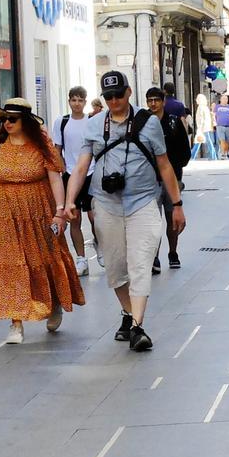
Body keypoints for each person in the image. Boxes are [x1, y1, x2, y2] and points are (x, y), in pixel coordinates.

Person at [65, 71, 186, 352]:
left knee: (141, 263)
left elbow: (165, 165)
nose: (114, 100)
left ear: (129, 92)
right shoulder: (94, 126)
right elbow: (82, 167)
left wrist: (176, 205)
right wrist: (69, 200)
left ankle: (138, 327)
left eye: (118, 94)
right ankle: (129, 314)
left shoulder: (149, 123)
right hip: (106, 204)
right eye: (108, 96)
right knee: (116, 267)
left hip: (143, 202)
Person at [0, 98, 86, 344]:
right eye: (4, 119)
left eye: (12, 119)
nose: (7, 123)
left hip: (39, 211)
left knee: (44, 260)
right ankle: (15, 323)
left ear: (25, 121)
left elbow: (54, 181)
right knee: (9, 265)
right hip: (6, 211)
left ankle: (53, 305)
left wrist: (59, 212)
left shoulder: (42, 146)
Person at [52, 85, 98, 276]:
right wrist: (60, 166)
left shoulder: (92, 122)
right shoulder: (61, 122)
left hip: (92, 173)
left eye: (80, 100)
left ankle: (99, 243)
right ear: (69, 101)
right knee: (74, 217)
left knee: (95, 216)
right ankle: (81, 258)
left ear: (85, 102)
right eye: (74, 100)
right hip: (70, 174)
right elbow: (57, 148)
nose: (77, 103)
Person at [146, 86, 191, 270]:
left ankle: (173, 252)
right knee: (152, 222)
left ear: (163, 101)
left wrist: (176, 169)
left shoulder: (173, 122)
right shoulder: (143, 123)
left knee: (173, 218)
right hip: (150, 181)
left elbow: (184, 150)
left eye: (156, 100)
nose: (153, 103)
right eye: (150, 100)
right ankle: (154, 257)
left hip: (172, 179)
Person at [213, 94, 229, 159]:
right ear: (220, 100)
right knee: (222, 140)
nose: (225, 100)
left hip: (228, 126)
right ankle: (223, 154)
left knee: (227, 141)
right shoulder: (217, 106)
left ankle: (226, 152)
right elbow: (213, 115)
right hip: (219, 126)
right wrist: (214, 122)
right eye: (223, 99)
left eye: (226, 99)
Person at [194, 93, 216, 160]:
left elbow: (201, 119)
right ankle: (213, 156)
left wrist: (199, 128)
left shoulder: (200, 107)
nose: (196, 100)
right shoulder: (205, 107)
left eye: (197, 99)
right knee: (203, 142)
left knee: (198, 142)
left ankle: (192, 156)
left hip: (202, 128)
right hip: (206, 127)